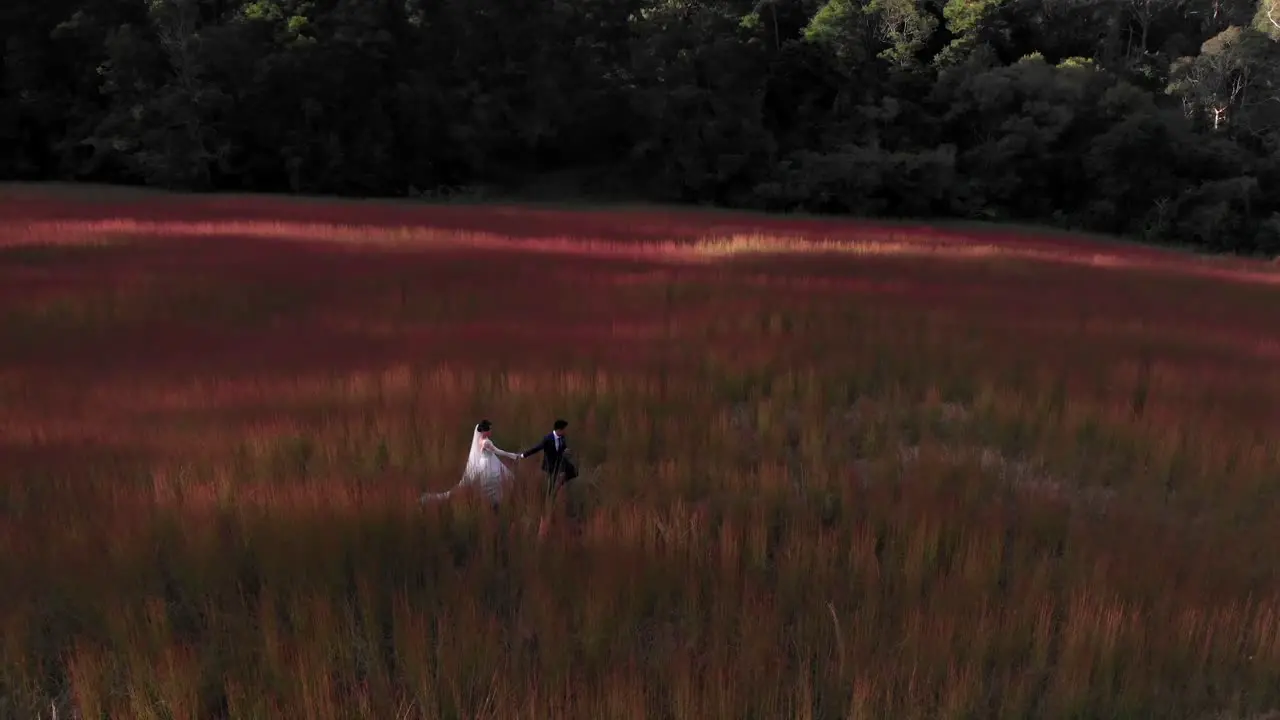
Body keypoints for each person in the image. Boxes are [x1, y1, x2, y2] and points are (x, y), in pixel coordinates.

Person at [420, 419, 522, 510]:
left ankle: (492, 503)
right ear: (485, 431)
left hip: (487, 462)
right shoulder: (487, 443)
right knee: (495, 481)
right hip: (488, 465)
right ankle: (494, 505)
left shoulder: (480, 440)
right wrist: (512, 455)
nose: (491, 431)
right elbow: (498, 451)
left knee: (495, 483)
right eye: (489, 429)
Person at [519, 418, 578, 500]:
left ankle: (560, 483)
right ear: (559, 430)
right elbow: (537, 448)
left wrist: (566, 450)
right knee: (551, 484)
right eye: (564, 429)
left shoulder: (562, 437)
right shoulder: (548, 438)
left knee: (573, 471)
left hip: (560, 461)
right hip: (550, 463)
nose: (565, 431)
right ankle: (550, 499)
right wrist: (524, 455)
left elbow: (563, 447)